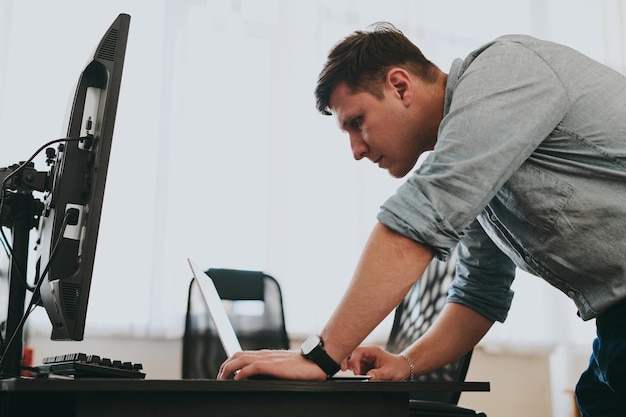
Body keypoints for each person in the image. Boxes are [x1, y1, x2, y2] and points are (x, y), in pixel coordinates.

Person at [217, 23, 626, 416]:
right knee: (601, 395)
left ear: (399, 85)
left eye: (356, 123)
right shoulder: (477, 158)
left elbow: (419, 217)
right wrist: (406, 363)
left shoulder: (506, 70)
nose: (356, 150)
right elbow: (480, 292)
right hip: (614, 326)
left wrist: (320, 357)